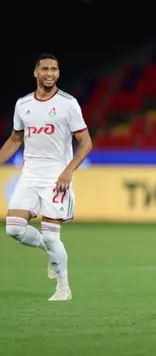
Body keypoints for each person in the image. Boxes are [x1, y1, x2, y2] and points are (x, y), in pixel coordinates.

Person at [0, 54, 92, 301]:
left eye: (54, 69)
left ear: (58, 73)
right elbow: (15, 139)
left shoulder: (68, 104)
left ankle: (63, 289)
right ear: (36, 73)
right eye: (45, 69)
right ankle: (48, 251)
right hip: (29, 175)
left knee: (52, 235)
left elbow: (85, 143)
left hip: (56, 178)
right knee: (14, 229)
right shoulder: (23, 104)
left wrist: (68, 170)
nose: (50, 73)